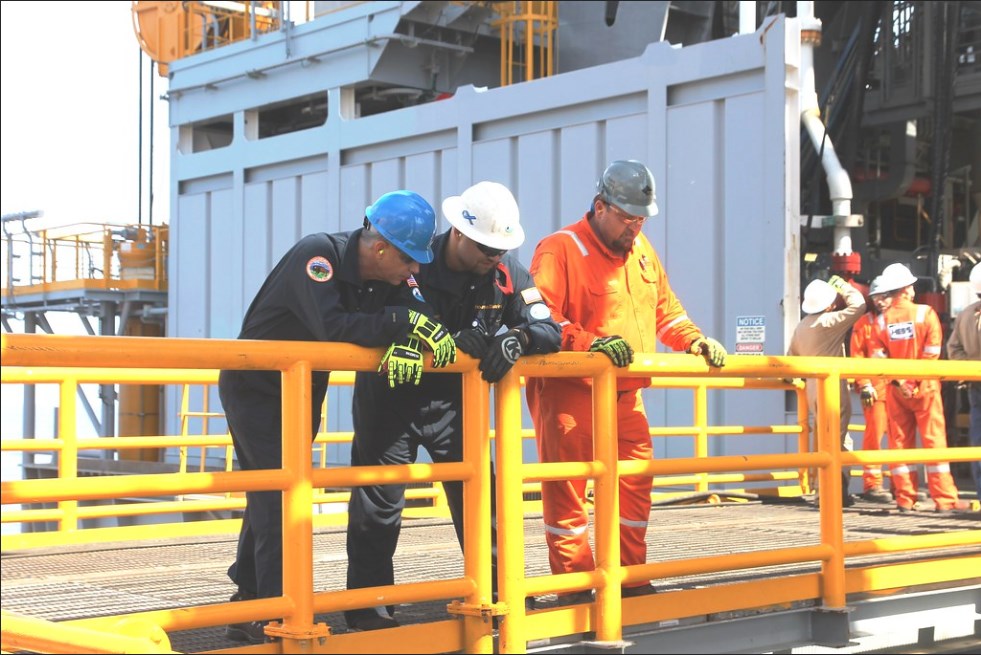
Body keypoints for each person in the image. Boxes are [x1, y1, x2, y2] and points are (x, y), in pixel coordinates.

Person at [217, 190, 458, 643]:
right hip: (257, 388)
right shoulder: (318, 256)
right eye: (409, 262)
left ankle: (247, 606)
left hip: (301, 388)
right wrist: (398, 327)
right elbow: (334, 328)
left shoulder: (389, 274)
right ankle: (276, 616)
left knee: (274, 493)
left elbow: (419, 311)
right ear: (382, 247)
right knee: (279, 498)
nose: (415, 272)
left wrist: (408, 335)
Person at [344, 181, 562, 631]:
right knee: (378, 507)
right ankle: (370, 608)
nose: (492, 258)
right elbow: (363, 318)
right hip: (390, 401)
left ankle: (502, 592)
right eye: (485, 248)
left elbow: (549, 330)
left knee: (484, 499)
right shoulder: (409, 261)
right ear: (458, 234)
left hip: (455, 407)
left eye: (500, 249)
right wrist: (419, 337)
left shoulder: (506, 274)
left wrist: (516, 338)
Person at [525, 160, 728, 602]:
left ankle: (629, 578)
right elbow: (539, 317)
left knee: (635, 483)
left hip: (625, 394)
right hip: (570, 394)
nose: (635, 227)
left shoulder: (641, 252)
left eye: (641, 218)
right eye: (627, 217)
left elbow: (666, 312)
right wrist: (589, 344)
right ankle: (576, 586)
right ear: (600, 206)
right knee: (569, 490)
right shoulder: (559, 250)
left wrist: (694, 340)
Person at [868, 263, 967, 513]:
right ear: (907, 289)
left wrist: (900, 382)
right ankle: (944, 500)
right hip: (926, 388)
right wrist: (915, 382)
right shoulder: (926, 314)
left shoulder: (880, 323)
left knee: (899, 444)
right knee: (934, 442)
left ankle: (904, 499)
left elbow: (878, 360)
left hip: (895, 390)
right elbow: (932, 352)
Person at [787, 275, 866, 507]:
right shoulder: (830, 321)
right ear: (830, 305)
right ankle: (832, 494)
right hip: (831, 388)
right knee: (835, 439)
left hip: (812, 386)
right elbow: (859, 305)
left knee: (832, 438)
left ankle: (835, 492)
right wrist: (842, 285)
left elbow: (791, 359)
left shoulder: (801, 327)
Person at [849, 275, 894, 502]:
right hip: (875, 390)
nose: (881, 301)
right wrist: (865, 384)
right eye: (876, 297)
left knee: (900, 439)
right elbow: (857, 357)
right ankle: (873, 485)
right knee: (874, 437)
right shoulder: (863, 324)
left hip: (899, 390)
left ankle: (901, 484)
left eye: (885, 296)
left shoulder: (899, 321)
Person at [946, 262, 981, 500]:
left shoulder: (966, 314)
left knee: (978, 442)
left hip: (974, 385)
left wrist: (970, 366)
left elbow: (953, 348)